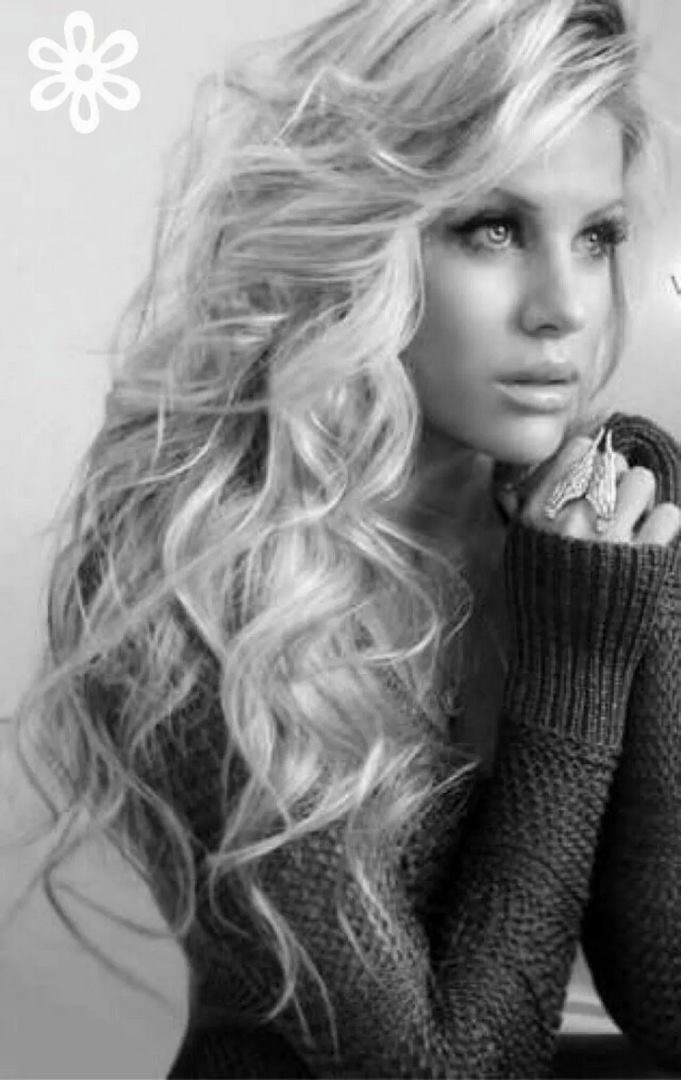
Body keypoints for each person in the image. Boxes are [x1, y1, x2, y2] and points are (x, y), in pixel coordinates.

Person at [5, 0, 681, 1076]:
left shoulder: (583, 522)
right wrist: (580, 662)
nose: (564, 306)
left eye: (596, 237)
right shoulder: (208, 581)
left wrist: (622, 595)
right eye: (492, 228)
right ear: (364, 237)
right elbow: (445, 1070)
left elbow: (667, 992)